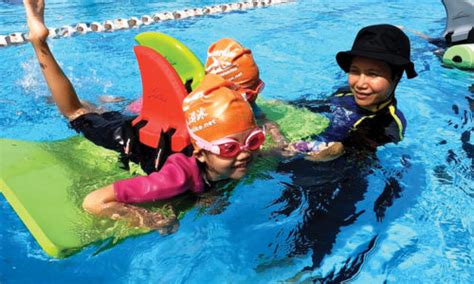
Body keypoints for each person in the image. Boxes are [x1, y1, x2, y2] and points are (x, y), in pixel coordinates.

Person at [24, 0, 265, 230]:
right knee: (75, 112)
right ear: (200, 153)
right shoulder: (175, 179)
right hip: (129, 137)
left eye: (254, 141)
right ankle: (39, 43)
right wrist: (145, 219)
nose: (245, 153)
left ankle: (99, 104)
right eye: (229, 148)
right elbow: (94, 201)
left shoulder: (228, 153)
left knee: (96, 111)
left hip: (156, 128)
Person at [289, 24, 417, 161]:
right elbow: (317, 106)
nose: (360, 84)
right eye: (355, 71)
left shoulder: (390, 123)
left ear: (396, 77)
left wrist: (339, 149)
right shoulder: (344, 94)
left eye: (373, 74)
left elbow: (363, 142)